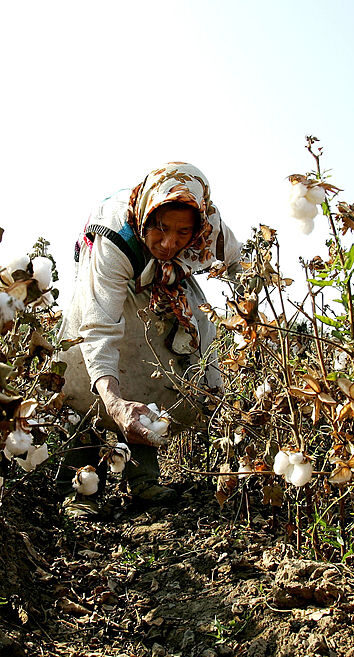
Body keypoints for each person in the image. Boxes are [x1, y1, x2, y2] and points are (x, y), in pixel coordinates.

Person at [55, 162, 241, 519]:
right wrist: (113, 401)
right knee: (82, 373)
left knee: (161, 364)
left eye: (183, 233)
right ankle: (78, 488)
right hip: (107, 282)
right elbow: (98, 328)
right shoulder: (112, 238)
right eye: (160, 228)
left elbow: (240, 266)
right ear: (147, 216)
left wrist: (251, 305)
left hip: (162, 285)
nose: (170, 242)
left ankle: (141, 478)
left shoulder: (212, 229)